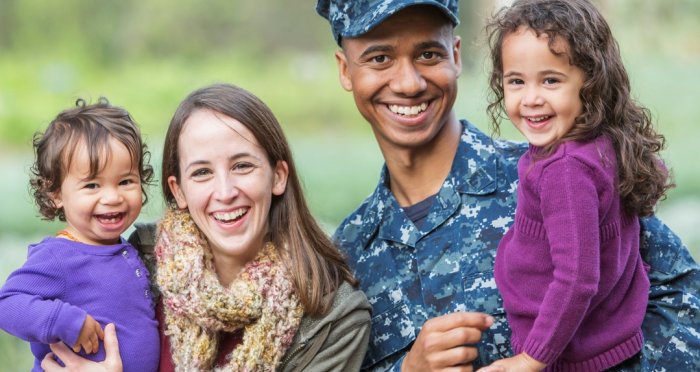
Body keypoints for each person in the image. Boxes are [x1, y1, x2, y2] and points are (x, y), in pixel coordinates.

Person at [315, 0, 700, 371]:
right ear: (346, 70)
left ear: (456, 56)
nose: (409, 83)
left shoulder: (559, 172)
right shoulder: (345, 257)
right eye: (379, 58)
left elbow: (684, 300)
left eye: (428, 54)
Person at [42, 83, 372, 372]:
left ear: (278, 176)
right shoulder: (140, 260)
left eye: (243, 166)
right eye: (201, 173)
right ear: (178, 190)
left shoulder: (334, 318)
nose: (225, 192)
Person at [478, 0, 673, 370]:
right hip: (601, 338)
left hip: (570, 354)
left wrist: (533, 358)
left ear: (590, 81)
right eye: (516, 81)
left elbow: (578, 279)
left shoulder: (564, 170)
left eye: (551, 80)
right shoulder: (599, 142)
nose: (531, 98)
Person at [0, 99, 159, 371]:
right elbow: (7, 305)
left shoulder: (128, 249)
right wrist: (65, 321)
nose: (112, 197)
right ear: (56, 194)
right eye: (92, 185)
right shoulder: (58, 256)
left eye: (125, 181)